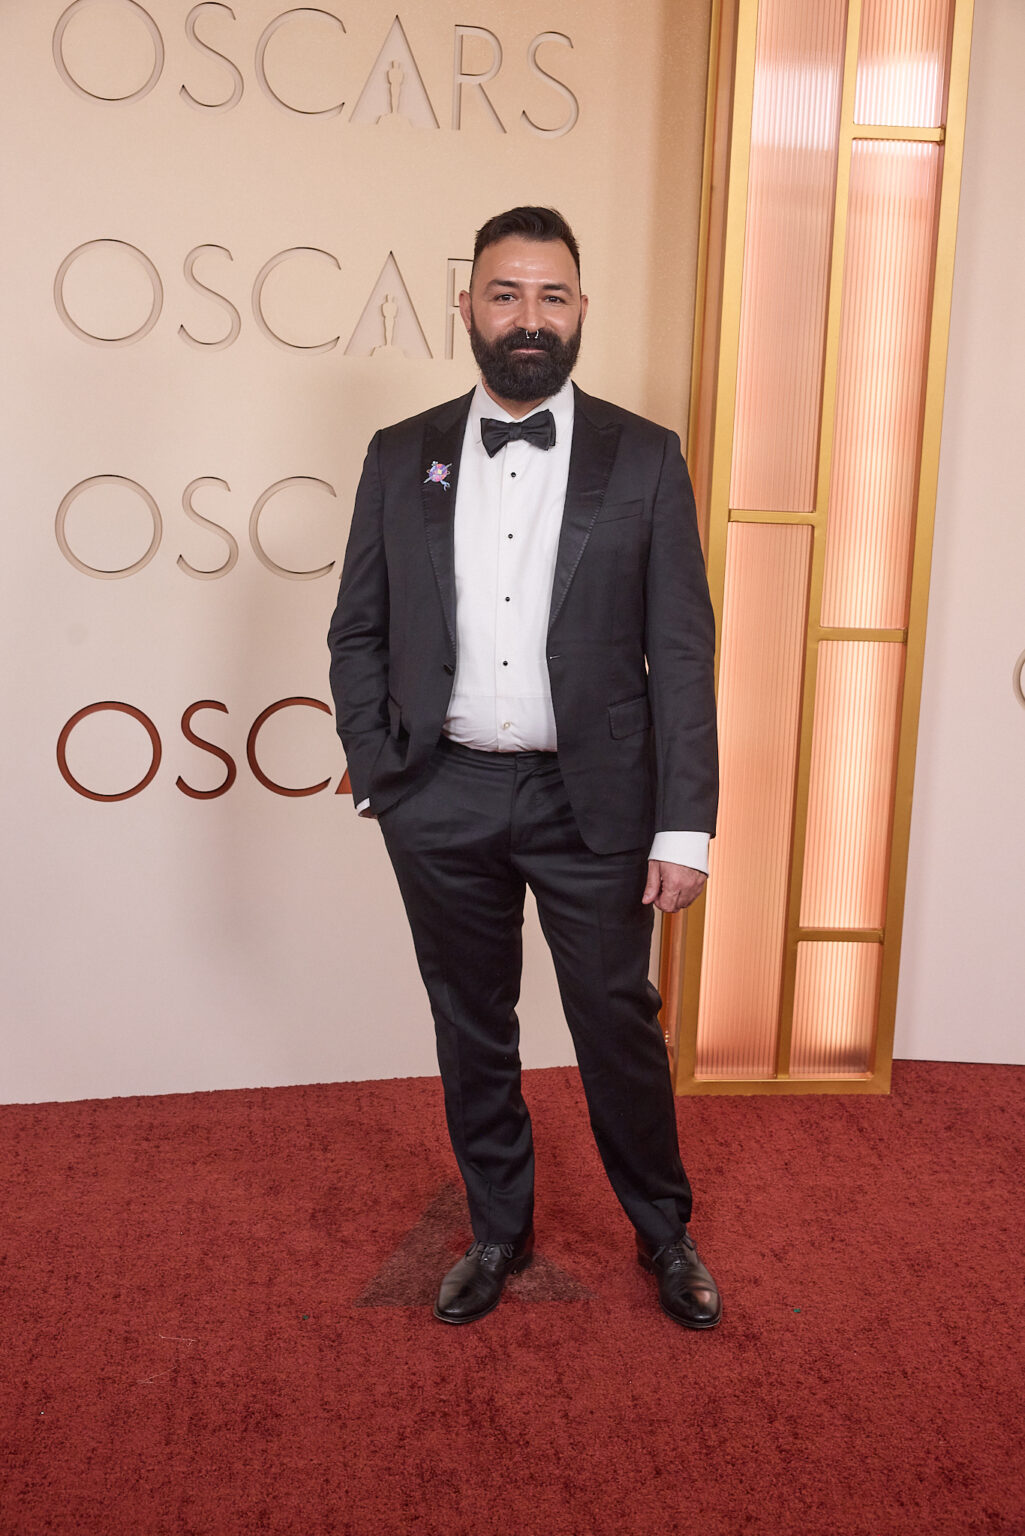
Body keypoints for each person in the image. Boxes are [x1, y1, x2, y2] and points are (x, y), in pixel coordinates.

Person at [327, 206, 721, 1329]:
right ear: (467, 307)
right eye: (505, 294)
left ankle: (663, 1232)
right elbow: (356, 627)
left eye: (551, 296)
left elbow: (681, 653)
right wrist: (378, 770)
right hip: (439, 792)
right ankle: (498, 1229)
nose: (528, 318)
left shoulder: (643, 456)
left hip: (592, 799)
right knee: (470, 1021)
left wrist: (682, 825)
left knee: (613, 1021)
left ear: (581, 310)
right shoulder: (401, 454)